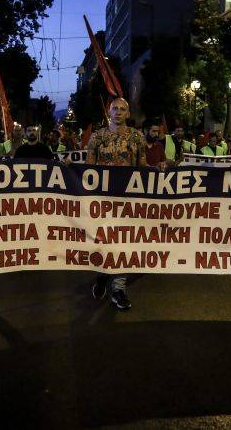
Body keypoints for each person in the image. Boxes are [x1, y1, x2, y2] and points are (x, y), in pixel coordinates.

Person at [87, 97, 146, 310]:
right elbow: (88, 169)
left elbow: (142, 167)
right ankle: (103, 274)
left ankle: (118, 289)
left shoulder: (137, 137)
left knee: (123, 243)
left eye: (122, 109)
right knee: (104, 242)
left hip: (128, 202)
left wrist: (159, 169)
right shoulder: (97, 137)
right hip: (103, 202)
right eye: (115, 109)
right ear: (109, 112)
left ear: (128, 113)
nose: (118, 112)